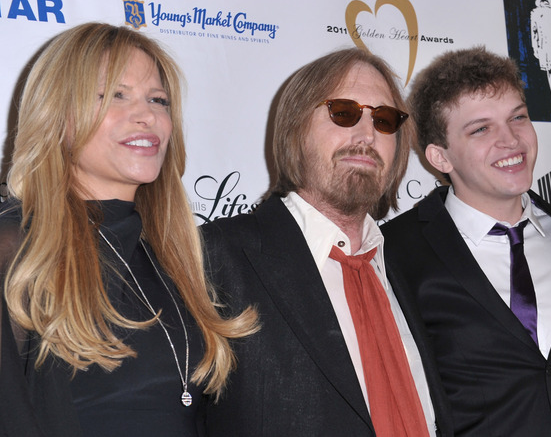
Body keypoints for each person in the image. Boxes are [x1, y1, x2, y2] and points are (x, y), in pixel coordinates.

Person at [0, 23, 258, 437]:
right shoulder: (16, 250)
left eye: (158, 100)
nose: (147, 115)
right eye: (115, 95)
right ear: (57, 114)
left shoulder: (177, 259)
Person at [201, 47, 453, 437]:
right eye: (344, 113)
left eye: (384, 120)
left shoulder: (409, 265)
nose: (367, 134)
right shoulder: (216, 258)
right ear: (295, 126)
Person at [381, 46, 551, 436]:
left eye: (517, 117)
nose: (511, 140)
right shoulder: (394, 252)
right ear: (440, 157)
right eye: (481, 128)